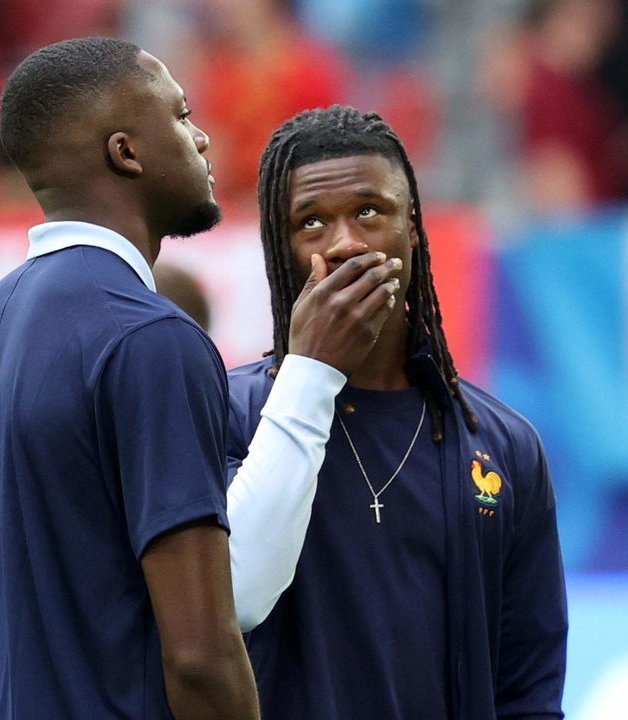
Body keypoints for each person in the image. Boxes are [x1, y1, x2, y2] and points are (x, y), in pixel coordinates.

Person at [0, 39, 400, 719]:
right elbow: (205, 646)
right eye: (181, 117)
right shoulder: (149, 337)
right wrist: (312, 372)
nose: (203, 137)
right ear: (126, 153)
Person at [224, 105, 568, 719]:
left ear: (412, 229)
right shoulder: (230, 413)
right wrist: (314, 368)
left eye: (368, 212)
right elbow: (222, 607)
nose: (346, 243)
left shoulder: (500, 443)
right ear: (283, 251)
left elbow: (530, 690)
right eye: (311, 223)